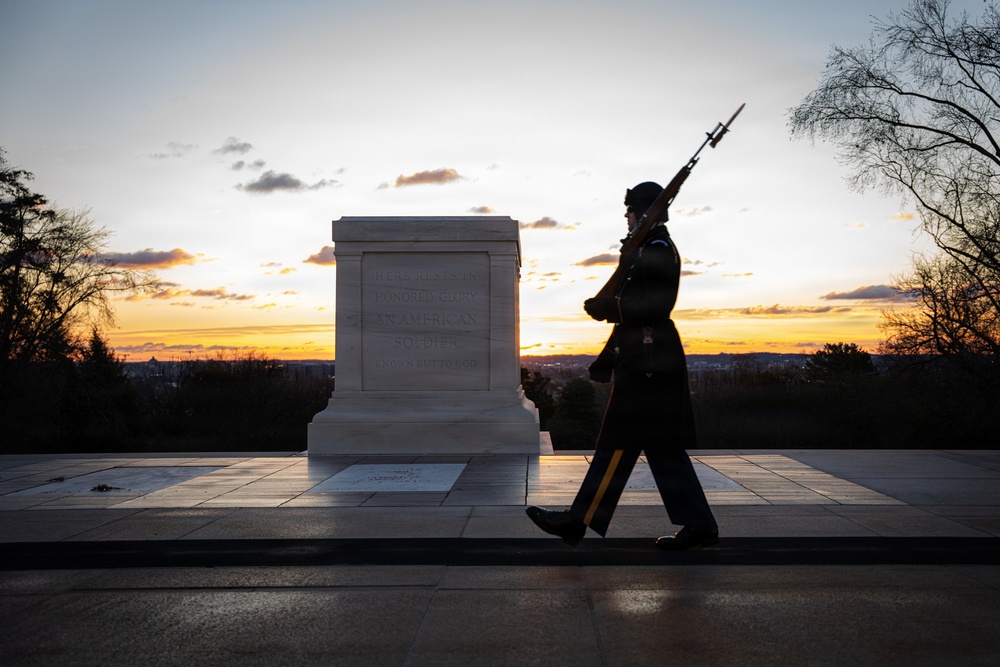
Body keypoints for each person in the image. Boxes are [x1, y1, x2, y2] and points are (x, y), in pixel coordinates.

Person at [525, 181, 718, 550]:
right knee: (661, 446)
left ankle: (578, 521)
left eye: (630, 210)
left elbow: (657, 307)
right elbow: (636, 312)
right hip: (646, 356)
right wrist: (609, 356)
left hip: (650, 362)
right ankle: (699, 524)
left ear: (644, 212)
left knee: (618, 440)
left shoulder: (657, 249)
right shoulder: (646, 248)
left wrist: (608, 309)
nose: (626, 216)